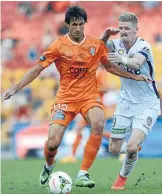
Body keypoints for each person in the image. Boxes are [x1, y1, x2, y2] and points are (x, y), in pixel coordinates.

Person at [2, 7, 150, 188]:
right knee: (53, 143)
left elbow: (110, 67)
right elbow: (37, 69)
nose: (78, 28)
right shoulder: (58, 45)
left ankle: (83, 173)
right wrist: (16, 87)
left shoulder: (95, 44)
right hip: (65, 99)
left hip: (89, 96)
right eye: (74, 25)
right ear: (67, 25)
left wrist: (134, 76)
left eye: (81, 24)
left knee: (98, 123)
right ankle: (49, 165)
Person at [101, 12, 161, 190]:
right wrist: (105, 36)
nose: (123, 32)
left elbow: (136, 63)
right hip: (125, 102)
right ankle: (132, 150)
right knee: (113, 148)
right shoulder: (115, 43)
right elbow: (96, 47)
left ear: (136, 30)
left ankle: (121, 178)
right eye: (121, 28)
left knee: (132, 146)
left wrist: (119, 58)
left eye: (127, 28)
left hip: (147, 103)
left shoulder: (144, 46)